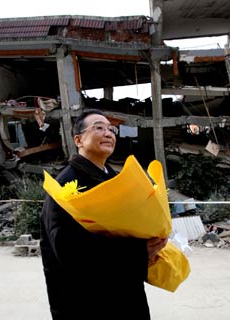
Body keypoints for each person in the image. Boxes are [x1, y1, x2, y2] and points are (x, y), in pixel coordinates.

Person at [40, 109, 168, 319]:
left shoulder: (117, 180)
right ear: (78, 140)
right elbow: (68, 250)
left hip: (126, 295)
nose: (108, 133)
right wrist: (137, 252)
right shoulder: (65, 186)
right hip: (86, 302)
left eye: (111, 129)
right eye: (98, 127)